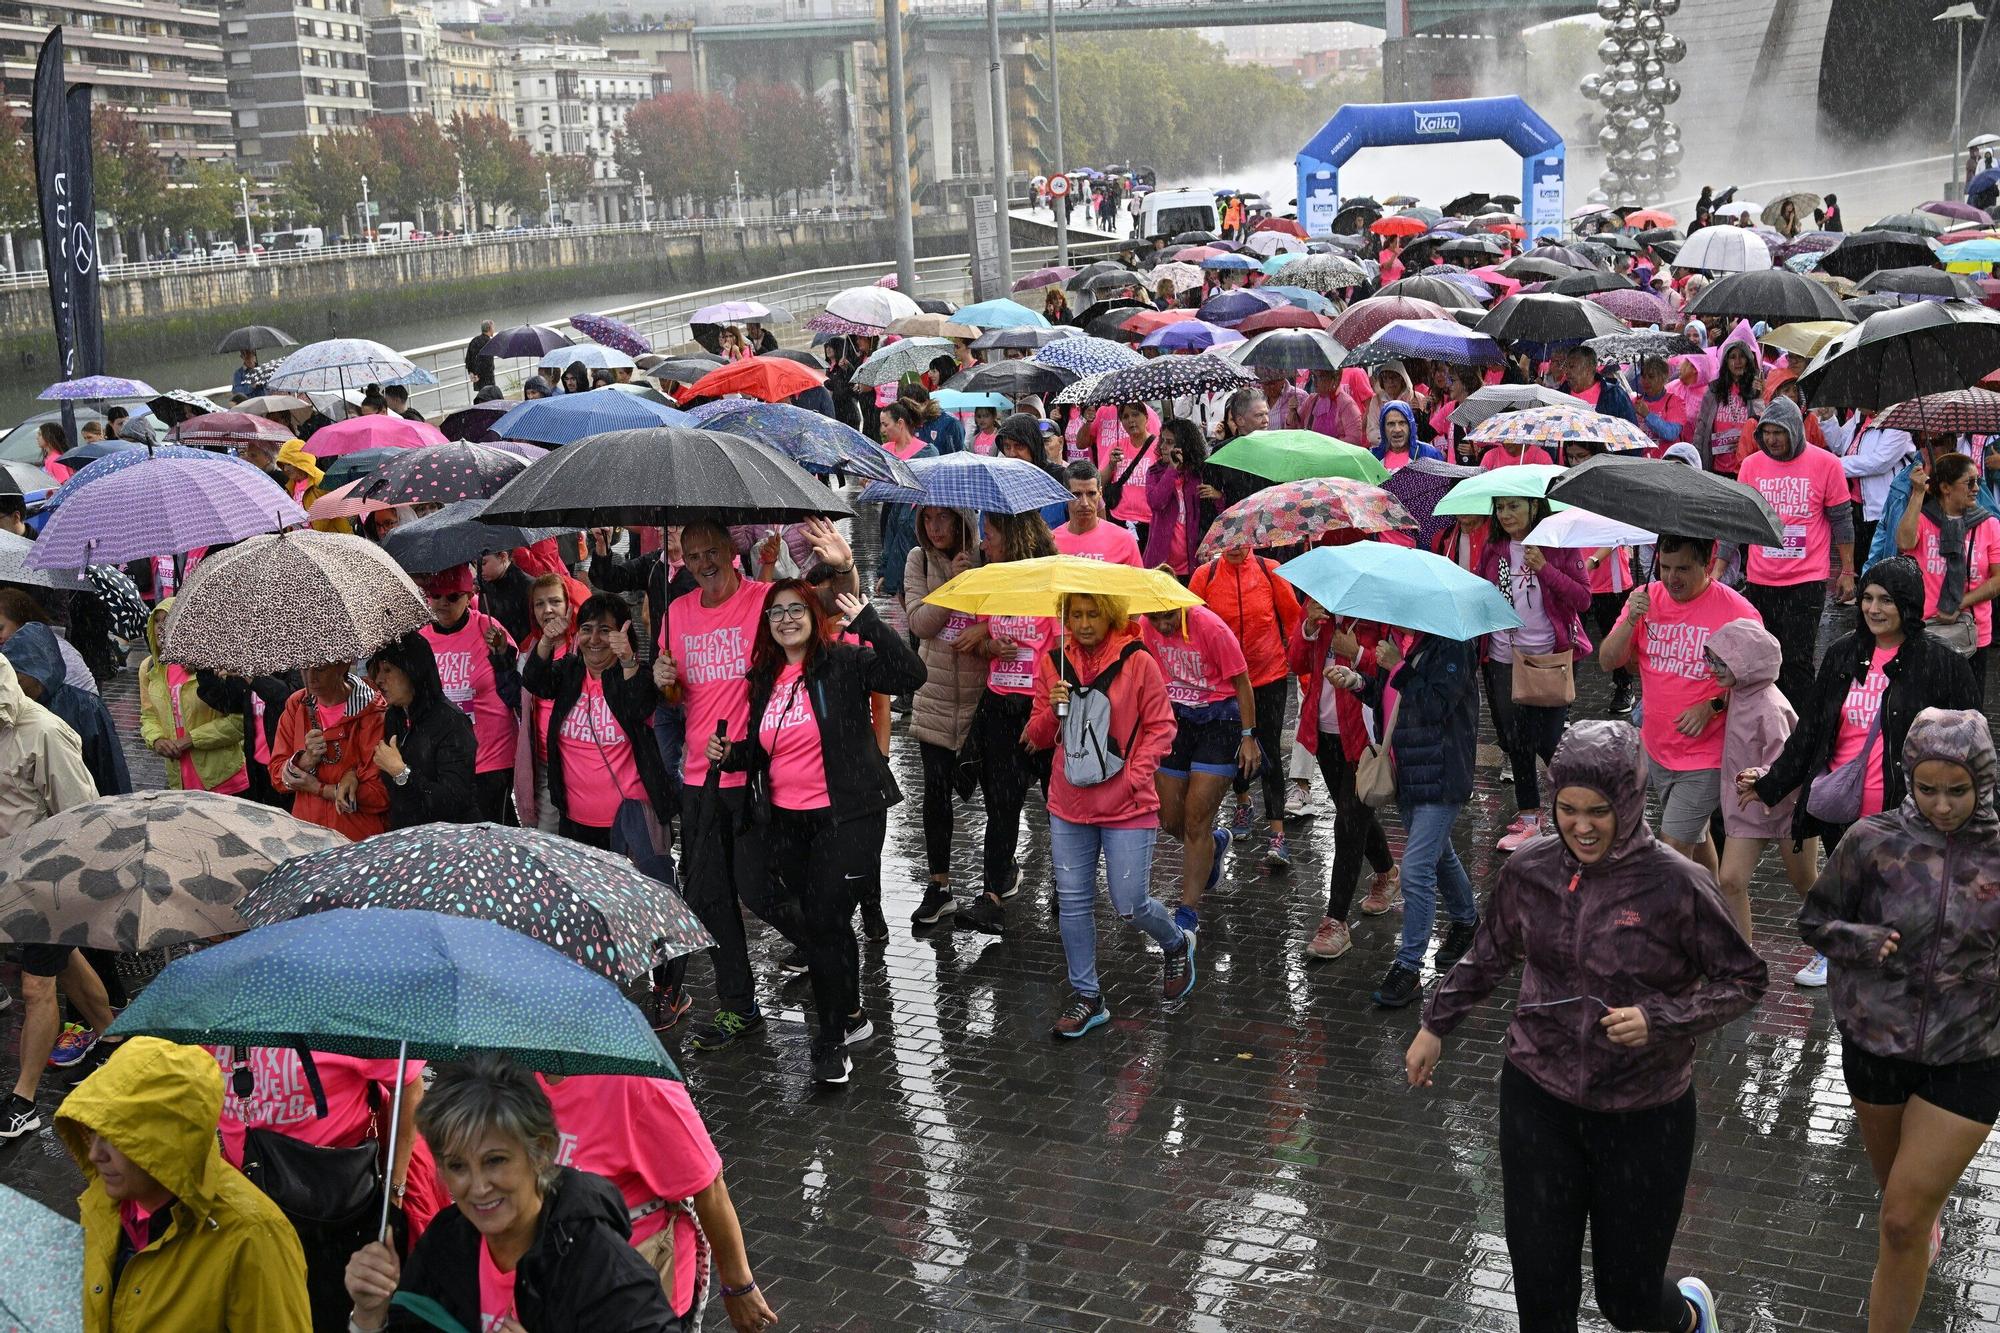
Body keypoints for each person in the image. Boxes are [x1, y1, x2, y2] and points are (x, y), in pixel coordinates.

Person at [1407, 721, 1767, 1333]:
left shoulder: (1678, 884)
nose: (1581, 826)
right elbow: (1488, 953)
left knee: (1626, 1300)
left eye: (1598, 810)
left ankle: (1686, 1313)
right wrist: (1436, 1023)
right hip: (1537, 1096)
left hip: (1643, 1110)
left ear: (1628, 802)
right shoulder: (1531, 869)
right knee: (1542, 1295)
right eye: (1567, 809)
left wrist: (1660, 1019)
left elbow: (1745, 981)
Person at [1796, 707, 2000, 1332]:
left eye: (1958, 791)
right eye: (1927, 789)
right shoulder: (1872, 840)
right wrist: (1858, 940)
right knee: (1901, 1204)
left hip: (1972, 1054)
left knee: (1902, 1220)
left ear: (1985, 781)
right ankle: (1919, 1234)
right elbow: (1813, 922)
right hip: (1875, 1047)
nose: (1942, 806)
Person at [652, 517, 857, 1051]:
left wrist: (844, 566)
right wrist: (664, 683)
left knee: (759, 890)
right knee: (707, 896)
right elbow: (675, 700)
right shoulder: (675, 612)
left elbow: (832, 609)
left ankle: (827, 949)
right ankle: (738, 1007)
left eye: (711, 550)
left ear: (732, 549)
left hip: (757, 773)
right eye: (691, 554)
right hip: (700, 774)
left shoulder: (767, 600)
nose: (703, 563)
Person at [713, 581, 924, 1083]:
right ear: (767, 624)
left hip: (849, 816)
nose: (786, 619)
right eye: (776, 612)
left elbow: (910, 674)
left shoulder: (844, 663)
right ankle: (851, 1015)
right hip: (789, 821)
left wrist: (869, 622)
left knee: (826, 918)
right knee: (820, 921)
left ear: (813, 615)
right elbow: (772, 746)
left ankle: (830, 1040)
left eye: (796, 610)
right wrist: (735, 754)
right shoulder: (764, 676)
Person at [343, 1055, 678, 1333]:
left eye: (496, 1161)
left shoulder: (602, 1269)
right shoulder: (445, 1242)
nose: (478, 1187)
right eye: (458, 1166)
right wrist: (370, 1315)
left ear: (542, 1150)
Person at [58, 1038, 312, 1332]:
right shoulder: (104, 1200)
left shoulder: (253, 1236)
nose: (94, 1154)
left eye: (117, 1139)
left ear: (165, 1140)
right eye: (92, 1133)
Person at [1024, 592, 1192, 1037]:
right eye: (1074, 614)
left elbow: (1162, 726)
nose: (1082, 623)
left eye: (1092, 613)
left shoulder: (1139, 661)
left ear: (1111, 613)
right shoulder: (1053, 660)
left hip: (1128, 806)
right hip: (1069, 803)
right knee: (1074, 903)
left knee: (1129, 904)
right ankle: (1087, 996)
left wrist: (1136, 777)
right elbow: (1038, 736)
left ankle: (1176, 944)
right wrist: (1053, 707)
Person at [1744, 556, 1979, 868]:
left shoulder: (1943, 662)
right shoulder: (1843, 653)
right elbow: (1810, 732)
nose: (1873, 609)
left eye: (1886, 600)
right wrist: (1770, 782)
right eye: (1867, 597)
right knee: (1854, 905)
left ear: (1908, 603)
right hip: (1842, 817)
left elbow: (1972, 749)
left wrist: (1981, 822)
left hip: (1907, 818)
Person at [213, 1044, 435, 1330]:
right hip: (249, 1206)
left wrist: (394, 1193)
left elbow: (408, 1087)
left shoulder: (340, 1013)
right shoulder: (210, 1017)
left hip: (337, 1207)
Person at [538, 1071, 775, 1332]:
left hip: (639, 1291)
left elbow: (709, 1185)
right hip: (557, 1287)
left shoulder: (640, 1081)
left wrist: (738, 1286)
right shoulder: (516, 1074)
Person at [1331, 622, 1481, 1009]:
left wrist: (1399, 666)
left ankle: (1408, 966)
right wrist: (1359, 683)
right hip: (1407, 770)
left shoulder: (1454, 644)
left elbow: (1435, 705)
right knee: (1438, 854)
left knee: (1416, 869)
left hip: (1442, 771)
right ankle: (1466, 921)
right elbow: (1391, 698)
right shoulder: (1399, 642)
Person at [0, 653, 115, 1142]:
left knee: (35, 986)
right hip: (8, 881)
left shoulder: (44, 732)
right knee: (64, 965)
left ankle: (23, 1102)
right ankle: (118, 1039)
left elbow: (84, 816)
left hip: (48, 880)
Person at [1598, 536, 1761, 875]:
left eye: (1683, 568)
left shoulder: (1737, 612)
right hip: (1657, 748)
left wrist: (1711, 707)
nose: (1672, 578)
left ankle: (1671, 925)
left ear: (1708, 561)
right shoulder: (1647, 598)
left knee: (1671, 852)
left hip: (1706, 756)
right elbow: (1607, 660)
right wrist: (1631, 619)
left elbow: (1759, 682)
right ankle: (1714, 903)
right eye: (1665, 567)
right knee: (1696, 839)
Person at [953, 510, 1059, 934]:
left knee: (1059, 807)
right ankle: (991, 896)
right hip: (1000, 706)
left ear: (1012, 537)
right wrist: (990, 644)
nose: (983, 544)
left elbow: (1065, 651)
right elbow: (981, 637)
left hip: (1043, 709)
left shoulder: (1050, 583)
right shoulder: (993, 580)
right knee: (1001, 805)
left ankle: (1065, 884)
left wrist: (1044, 716)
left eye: (989, 535)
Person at [1703, 619, 1823, 965]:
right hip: (1747, 806)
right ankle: (1743, 959)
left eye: (1721, 663)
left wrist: (1761, 775)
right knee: (1730, 880)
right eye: (1712, 661)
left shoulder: (1770, 706)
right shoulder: (1737, 692)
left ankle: (1834, 945)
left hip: (1786, 805)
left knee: (1804, 881)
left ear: (1746, 665)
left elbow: (1789, 759)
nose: (1714, 669)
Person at [1477, 496, 1591, 852]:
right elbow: (1484, 594)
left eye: (1514, 506)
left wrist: (1544, 567)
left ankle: (1582, 802)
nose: (1506, 515)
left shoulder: (1557, 546)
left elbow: (1583, 599)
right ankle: (1529, 817)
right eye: (1500, 508)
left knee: (1548, 740)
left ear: (1533, 508)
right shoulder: (1494, 548)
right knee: (1515, 740)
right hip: (1503, 656)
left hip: (1549, 658)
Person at [1141, 600, 1259, 936]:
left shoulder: (1211, 627)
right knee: (1169, 819)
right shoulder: (1145, 626)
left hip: (1220, 716)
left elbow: (1242, 682)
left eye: (1167, 617)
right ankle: (1214, 844)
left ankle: (1188, 911)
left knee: (1196, 819)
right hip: (1176, 715)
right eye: (1154, 617)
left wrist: (1249, 736)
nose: (1162, 625)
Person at [1289, 599, 1395, 959]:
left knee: (1348, 822)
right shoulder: (1319, 609)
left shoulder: (1378, 613)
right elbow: (1296, 662)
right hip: (1323, 732)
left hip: (1363, 735)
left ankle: (1335, 922)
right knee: (1354, 813)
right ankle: (1387, 871)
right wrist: (1308, 629)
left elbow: (1394, 673)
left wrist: (1360, 653)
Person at [1188, 542, 1301, 870]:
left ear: (1252, 539)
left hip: (1269, 677)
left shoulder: (1271, 570)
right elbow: (1192, 625)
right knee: (1232, 748)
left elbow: (1292, 621)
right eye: (1228, 542)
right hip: (1225, 682)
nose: (1235, 548)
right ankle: (1242, 800)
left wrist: (1302, 668)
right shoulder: (1204, 576)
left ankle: (1277, 834)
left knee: (1268, 753)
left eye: (1242, 541)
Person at [1736, 396, 1855, 706]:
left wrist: (1847, 570)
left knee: (1796, 660)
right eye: (1767, 432)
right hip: (1762, 579)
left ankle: (1803, 731)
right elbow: (1739, 522)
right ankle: (1771, 726)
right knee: (1765, 658)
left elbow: (1842, 520)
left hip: (1806, 580)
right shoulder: (1751, 466)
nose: (1773, 440)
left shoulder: (1827, 464)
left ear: (1795, 429)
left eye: (1780, 432)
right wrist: (1721, 567)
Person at [904, 506, 985, 926]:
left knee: (992, 792)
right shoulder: (918, 559)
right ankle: (940, 885)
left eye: (944, 519)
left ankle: (996, 881)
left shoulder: (986, 558)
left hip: (980, 698)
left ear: (961, 521)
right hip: (933, 697)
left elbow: (1002, 619)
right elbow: (919, 623)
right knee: (935, 796)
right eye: (928, 519)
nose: (935, 528)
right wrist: (953, 585)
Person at [417, 565, 520, 824]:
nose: (442, 603)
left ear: (469, 595)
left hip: (491, 759)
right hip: (445, 763)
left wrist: (502, 655)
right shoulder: (420, 639)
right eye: (435, 595)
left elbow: (514, 686)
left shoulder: (489, 628)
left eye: (453, 597)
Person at [1896, 452, 2000, 692]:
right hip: (1924, 630)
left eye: (1979, 481)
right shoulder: (1923, 519)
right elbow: (1903, 542)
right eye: (1969, 482)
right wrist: (1918, 493)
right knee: (1924, 710)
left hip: (1971, 633)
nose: (1976, 488)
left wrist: (1960, 602)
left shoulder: (1989, 524)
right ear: (1945, 487)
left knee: (1967, 716)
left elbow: (1997, 580)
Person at [2, 621, 131, 798]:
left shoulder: (87, 707)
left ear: (39, 671)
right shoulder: (12, 710)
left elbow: (111, 768)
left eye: (19, 674)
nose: (15, 683)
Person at [366, 631, 479, 831]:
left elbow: (454, 801)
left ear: (413, 671)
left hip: (448, 840)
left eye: (388, 669)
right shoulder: (395, 716)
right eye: (378, 670)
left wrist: (402, 773)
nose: (379, 679)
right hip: (407, 835)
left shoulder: (453, 722)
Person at [270, 660, 390, 842]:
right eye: (304, 667)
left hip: (355, 840)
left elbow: (379, 795)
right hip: (306, 834)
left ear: (343, 665)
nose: (310, 677)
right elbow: (277, 777)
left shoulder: (372, 712)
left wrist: (320, 789)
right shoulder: (297, 705)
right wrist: (305, 760)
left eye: (319, 668)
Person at [139, 599, 247, 795]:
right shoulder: (150, 668)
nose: (161, 628)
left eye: (169, 620)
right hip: (179, 782)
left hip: (223, 779)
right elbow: (149, 715)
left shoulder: (212, 666)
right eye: (157, 621)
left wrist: (191, 740)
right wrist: (156, 740)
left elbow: (238, 723)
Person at [1143, 418, 1218, 576]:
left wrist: (1218, 496)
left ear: (1185, 445)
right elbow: (1156, 502)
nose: (1163, 446)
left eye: (1169, 442)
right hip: (1162, 564)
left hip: (1195, 561)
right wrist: (1172, 470)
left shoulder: (1201, 473)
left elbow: (1219, 512)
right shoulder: (1155, 472)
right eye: (1162, 440)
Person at [1690, 326, 1762, 476]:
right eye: (1733, 357)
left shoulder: (1756, 390)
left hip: (1744, 467)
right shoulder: (1714, 390)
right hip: (1716, 467)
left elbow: (1762, 424)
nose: (1738, 361)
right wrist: (1695, 459)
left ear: (1748, 361)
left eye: (1742, 356)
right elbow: (1701, 428)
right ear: (1726, 362)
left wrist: (1761, 395)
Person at [1052, 459, 1143, 566]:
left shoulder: (1124, 541)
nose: (1084, 503)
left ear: (1100, 493)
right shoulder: (1051, 543)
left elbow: (1138, 582)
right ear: (1065, 495)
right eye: (1077, 495)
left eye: (1091, 494)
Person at [1372, 401, 1442, 471]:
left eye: (1402, 423)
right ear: (1383, 428)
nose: (1397, 430)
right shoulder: (1373, 457)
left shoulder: (1428, 453)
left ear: (1410, 426)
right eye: (1391, 424)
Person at [464, 320, 496, 390]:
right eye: (493, 328)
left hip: (477, 377)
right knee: (490, 396)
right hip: (487, 377)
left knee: (482, 396)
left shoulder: (474, 340)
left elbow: (468, 359)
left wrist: (473, 373)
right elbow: (488, 363)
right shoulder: (489, 342)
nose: (494, 330)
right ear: (489, 329)